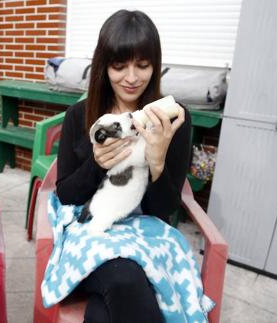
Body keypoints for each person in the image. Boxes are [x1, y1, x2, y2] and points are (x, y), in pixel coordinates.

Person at [56, 10, 191, 323]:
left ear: (155, 65)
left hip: (148, 238)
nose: (132, 77)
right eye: (120, 66)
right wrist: (97, 164)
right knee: (123, 278)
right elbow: (66, 195)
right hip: (93, 233)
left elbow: (164, 209)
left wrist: (157, 160)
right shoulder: (80, 116)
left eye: (142, 65)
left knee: (104, 314)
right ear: (104, 66)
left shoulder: (172, 118)